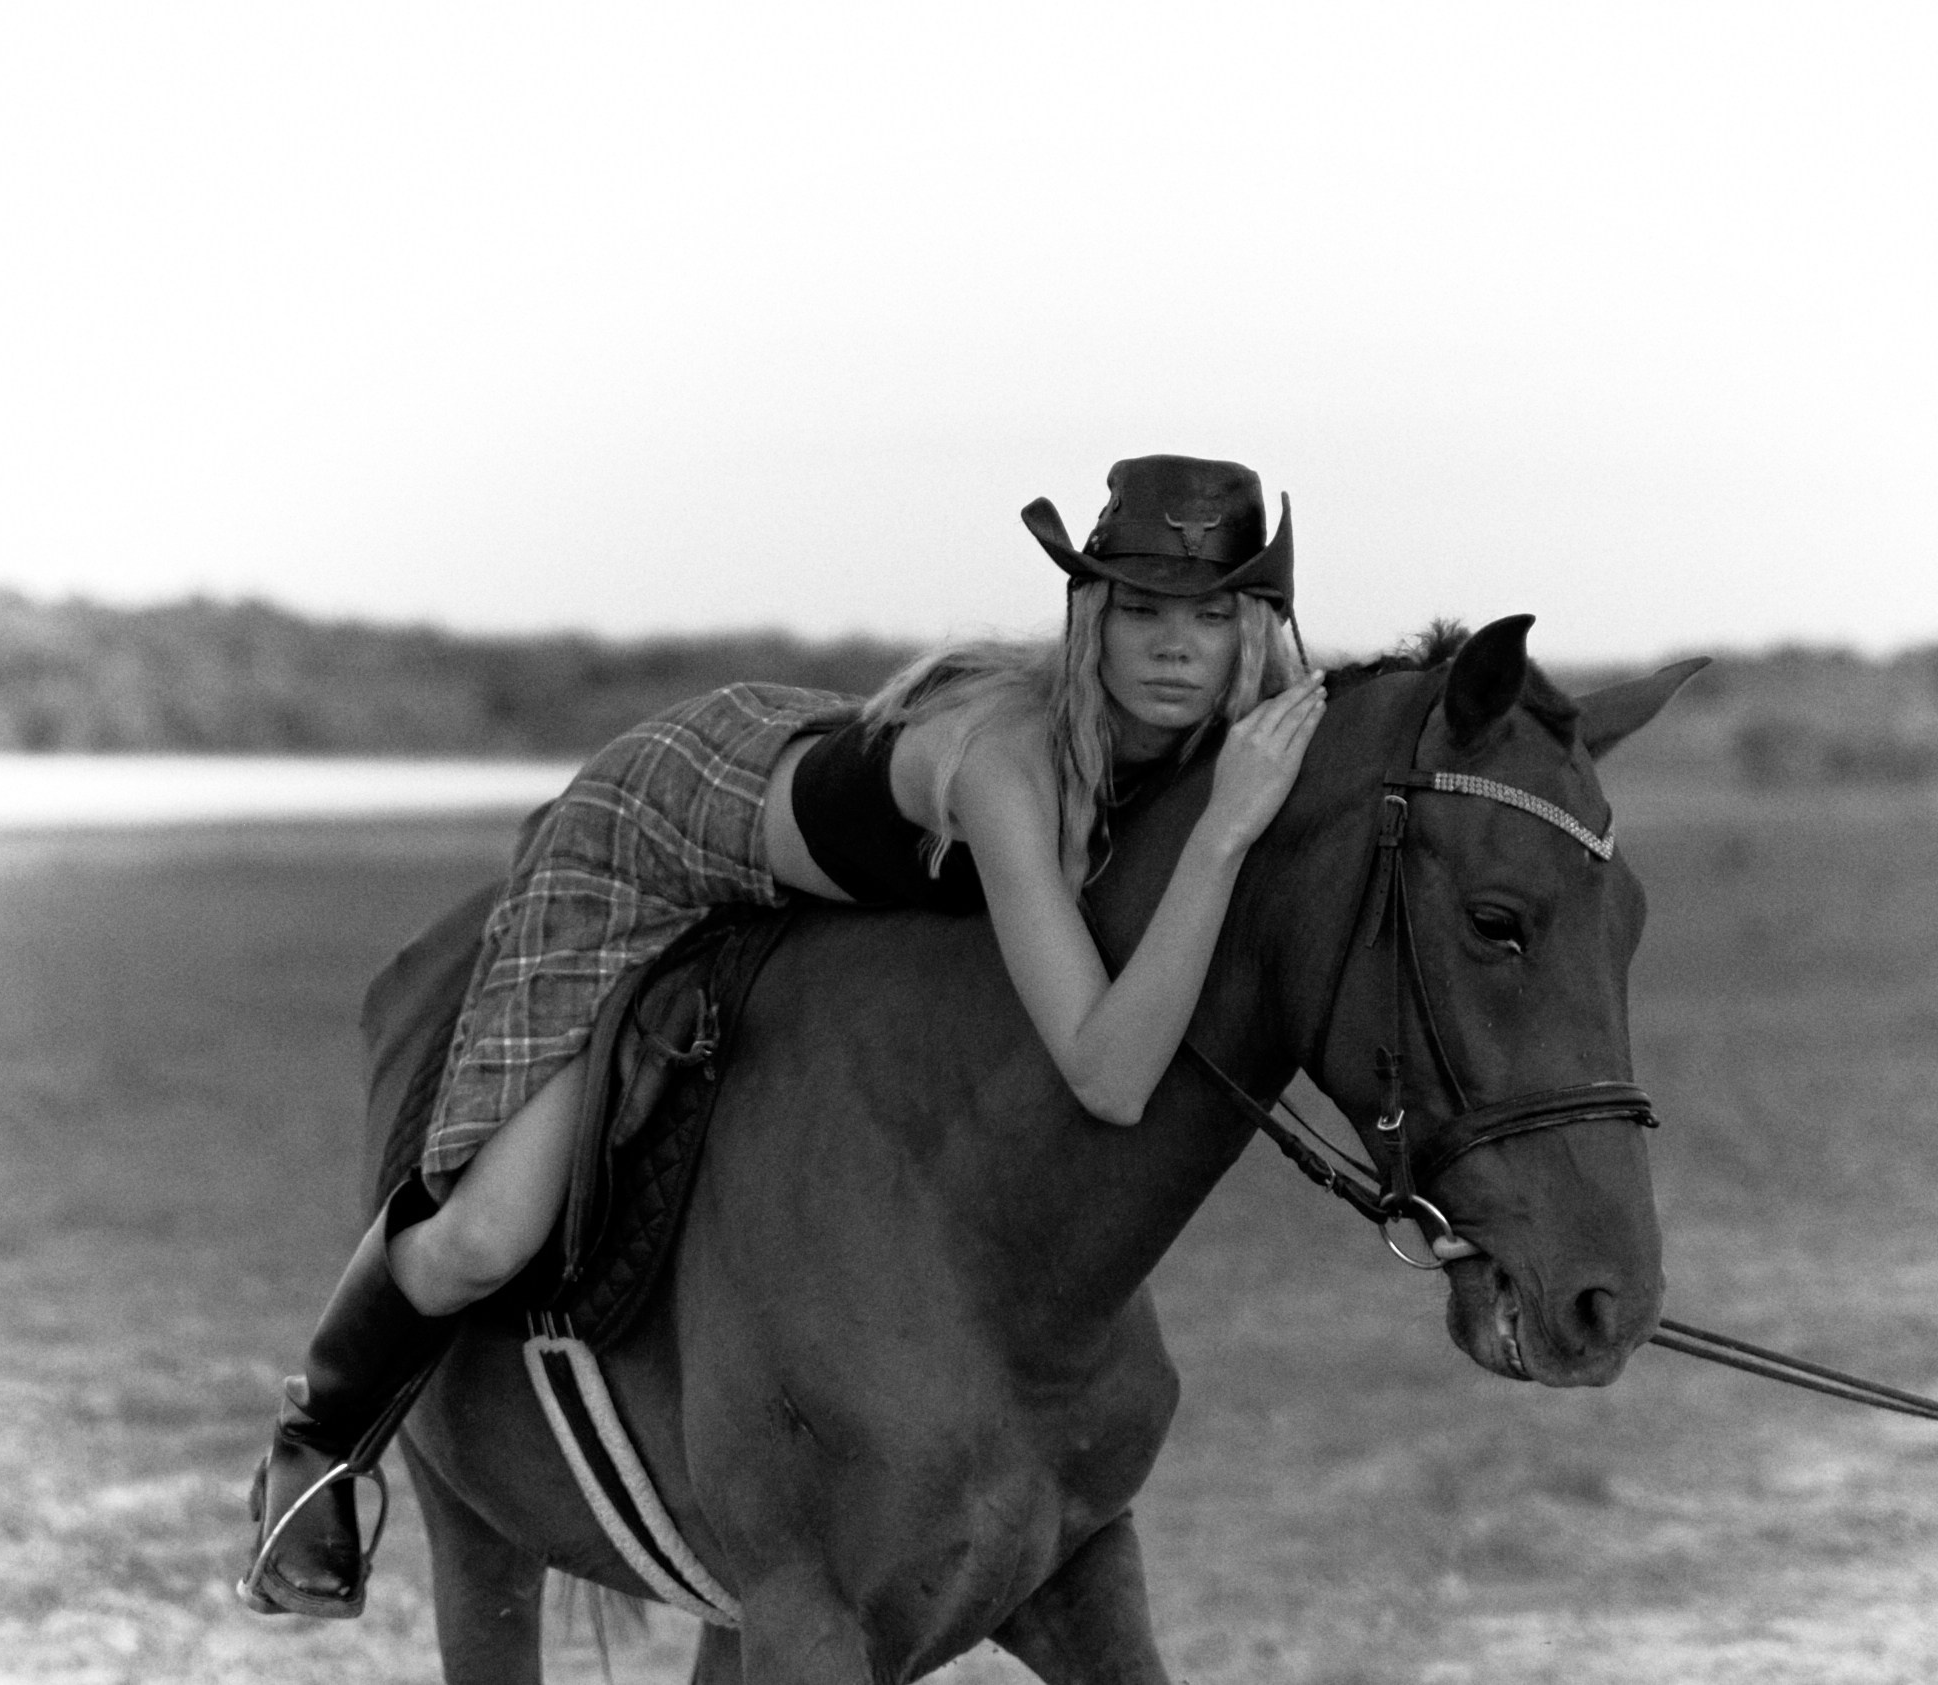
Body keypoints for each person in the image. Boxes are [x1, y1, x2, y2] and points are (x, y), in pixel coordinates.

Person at [239, 454, 1328, 1618]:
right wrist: (1219, 840)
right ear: (1090, 618)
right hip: (661, 831)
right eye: (1141, 611)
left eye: (1209, 614)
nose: (1174, 645)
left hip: (822, 816)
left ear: (1252, 629)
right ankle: (311, 1453)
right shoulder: (1017, 765)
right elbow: (1109, 1076)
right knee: (485, 1234)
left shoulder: (1222, 745)